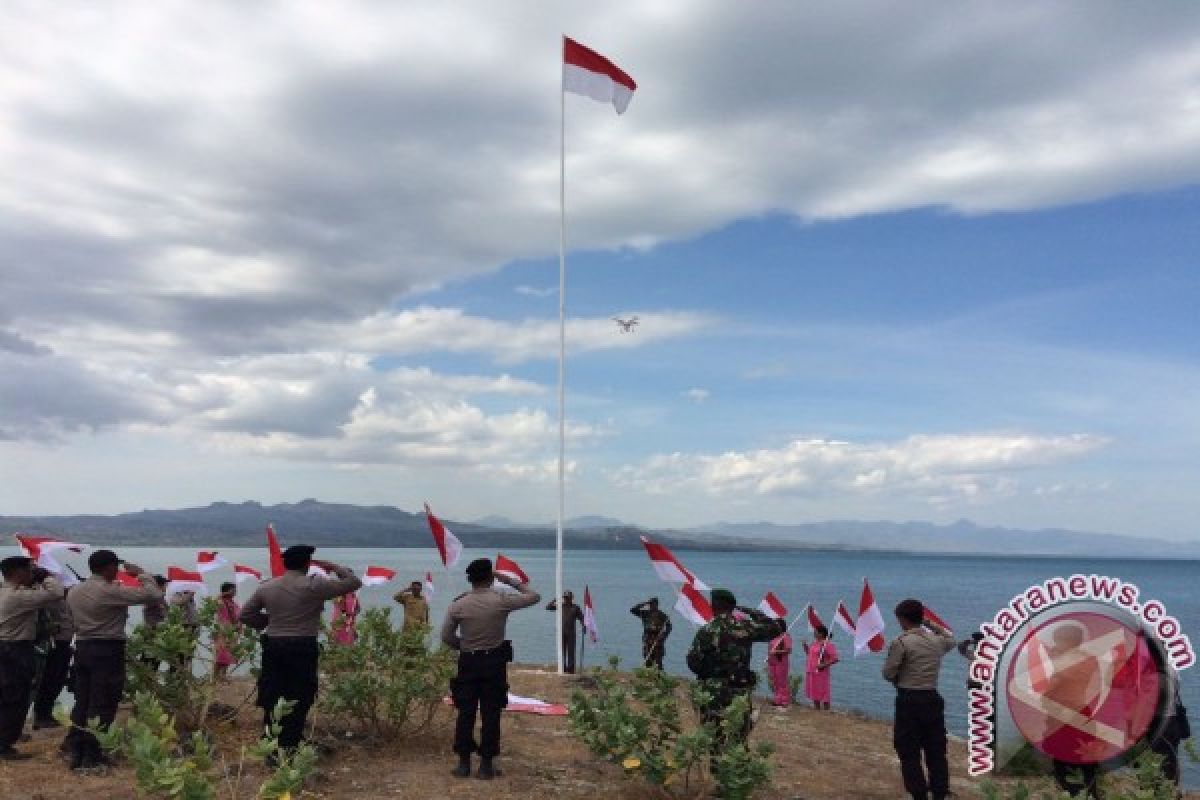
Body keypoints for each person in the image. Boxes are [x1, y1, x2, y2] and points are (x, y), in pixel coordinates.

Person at [239, 546, 361, 752]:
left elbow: (246, 615)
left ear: (286, 564)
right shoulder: (314, 585)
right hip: (302, 645)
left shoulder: (267, 586)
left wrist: (269, 621)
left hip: (274, 645)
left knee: (273, 692)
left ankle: (271, 743)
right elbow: (353, 583)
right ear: (307, 564)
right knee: (300, 694)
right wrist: (334, 566)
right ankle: (291, 744)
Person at [440, 557, 540, 780]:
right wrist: (510, 581)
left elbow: (446, 636)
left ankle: (463, 764)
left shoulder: (458, 604)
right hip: (494, 663)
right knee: (491, 713)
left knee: (465, 713)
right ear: (490, 578)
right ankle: (486, 766)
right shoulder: (501, 600)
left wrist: (464, 646)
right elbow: (534, 597)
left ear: (470, 579)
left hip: (468, 662)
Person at [63, 550, 162, 771]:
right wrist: (142, 574)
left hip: (82, 647)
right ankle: (92, 755)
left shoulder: (74, 591)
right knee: (104, 701)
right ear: (107, 568)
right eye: (114, 566)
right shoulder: (109, 590)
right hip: (106, 649)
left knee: (83, 700)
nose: (117, 570)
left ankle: (75, 749)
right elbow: (153, 595)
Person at [686, 589, 785, 752]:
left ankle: (716, 769)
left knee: (713, 735)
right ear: (732, 607)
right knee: (739, 734)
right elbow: (775, 628)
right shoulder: (745, 627)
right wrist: (751, 611)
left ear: (713, 606)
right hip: (738, 689)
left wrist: (709, 673)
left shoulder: (707, 630)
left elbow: (693, 662)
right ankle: (737, 769)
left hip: (712, 689)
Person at [882, 598, 956, 800]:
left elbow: (888, 673)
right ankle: (940, 792)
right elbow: (951, 638)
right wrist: (929, 623)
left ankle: (918, 793)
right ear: (921, 618)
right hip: (932, 698)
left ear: (903, 619)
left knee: (908, 749)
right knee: (936, 749)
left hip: (909, 700)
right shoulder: (937, 641)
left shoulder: (901, 642)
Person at [0, 557, 65, 760]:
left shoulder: (4, 591)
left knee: (5, 697)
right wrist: (45, 575)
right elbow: (56, 593)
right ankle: (4, 745)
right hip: (15, 650)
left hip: (5, 647)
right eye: (29, 570)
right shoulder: (18, 596)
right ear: (19, 573)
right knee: (16, 697)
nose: (32, 573)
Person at [31, 584, 75, 729]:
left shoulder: (66, 600)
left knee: (58, 680)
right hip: (53, 644)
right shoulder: (50, 599)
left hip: (65, 643)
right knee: (49, 680)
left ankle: (46, 713)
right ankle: (41, 715)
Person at [545, 591, 585, 674]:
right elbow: (548, 607)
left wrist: (584, 626)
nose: (566, 599)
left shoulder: (576, 608)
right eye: (565, 597)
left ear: (571, 598)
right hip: (561, 633)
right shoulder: (560, 606)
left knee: (571, 652)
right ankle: (563, 668)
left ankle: (571, 670)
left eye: (568, 597)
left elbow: (582, 618)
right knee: (562, 651)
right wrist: (555, 599)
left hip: (571, 633)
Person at [803, 625, 839, 710]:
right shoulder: (814, 643)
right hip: (811, 670)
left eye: (816, 631)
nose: (814, 633)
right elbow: (810, 654)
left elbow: (835, 658)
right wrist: (805, 646)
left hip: (821, 672)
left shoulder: (827, 645)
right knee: (814, 691)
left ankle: (826, 711)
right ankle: (817, 709)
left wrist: (824, 664)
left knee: (824, 692)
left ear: (821, 633)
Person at [631, 597, 672, 669]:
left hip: (658, 640)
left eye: (654, 604)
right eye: (651, 604)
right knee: (647, 659)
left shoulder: (662, 615)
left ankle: (659, 676)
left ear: (657, 605)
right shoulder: (645, 613)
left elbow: (669, 626)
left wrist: (663, 636)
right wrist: (644, 603)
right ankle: (648, 675)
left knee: (658, 661)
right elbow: (633, 610)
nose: (652, 606)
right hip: (647, 639)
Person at [213, 582, 241, 681]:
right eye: (233, 589)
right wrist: (222, 594)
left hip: (232, 632)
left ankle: (223, 675)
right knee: (221, 655)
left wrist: (239, 627)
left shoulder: (233, 603)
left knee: (229, 655)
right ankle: (215, 676)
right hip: (223, 631)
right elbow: (213, 604)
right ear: (228, 590)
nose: (235, 591)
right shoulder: (220, 601)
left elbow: (238, 616)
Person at [767, 625, 793, 708]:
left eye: (777, 625)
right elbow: (770, 649)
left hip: (781, 662)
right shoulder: (774, 637)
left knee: (782, 682)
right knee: (775, 681)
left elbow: (788, 650)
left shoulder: (785, 637)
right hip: (772, 662)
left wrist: (776, 651)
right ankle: (777, 699)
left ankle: (784, 700)